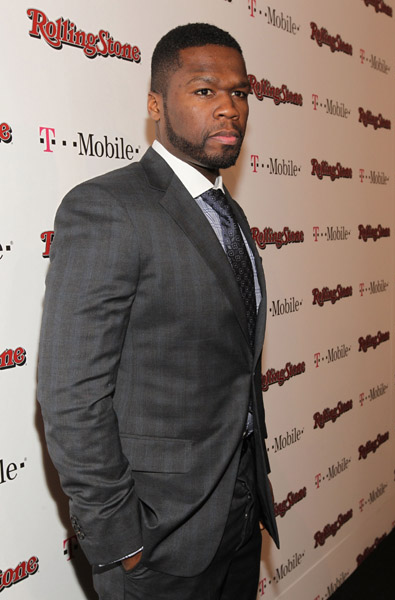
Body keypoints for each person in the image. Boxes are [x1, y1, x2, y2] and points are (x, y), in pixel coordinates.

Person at [37, 22, 279, 600]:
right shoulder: (107, 207)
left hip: (240, 512)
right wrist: (120, 537)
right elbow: (70, 395)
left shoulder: (228, 212)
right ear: (155, 105)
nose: (228, 107)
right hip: (158, 538)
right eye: (204, 90)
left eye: (239, 93)